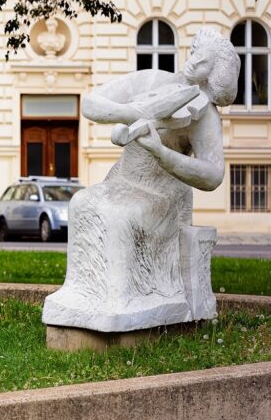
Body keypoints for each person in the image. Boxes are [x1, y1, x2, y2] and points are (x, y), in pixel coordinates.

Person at [43, 27, 240, 330]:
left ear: (214, 74)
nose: (194, 61)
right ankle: (81, 294)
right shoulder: (152, 81)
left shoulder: (204, 114)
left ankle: (122, 301)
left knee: (119, 217)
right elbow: (90, 104)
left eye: (206, 62)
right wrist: (135, 112)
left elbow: (213, 175)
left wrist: (162, 153)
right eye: (195, 52)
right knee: (80, 202)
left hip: (162, 193)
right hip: (121, 180)